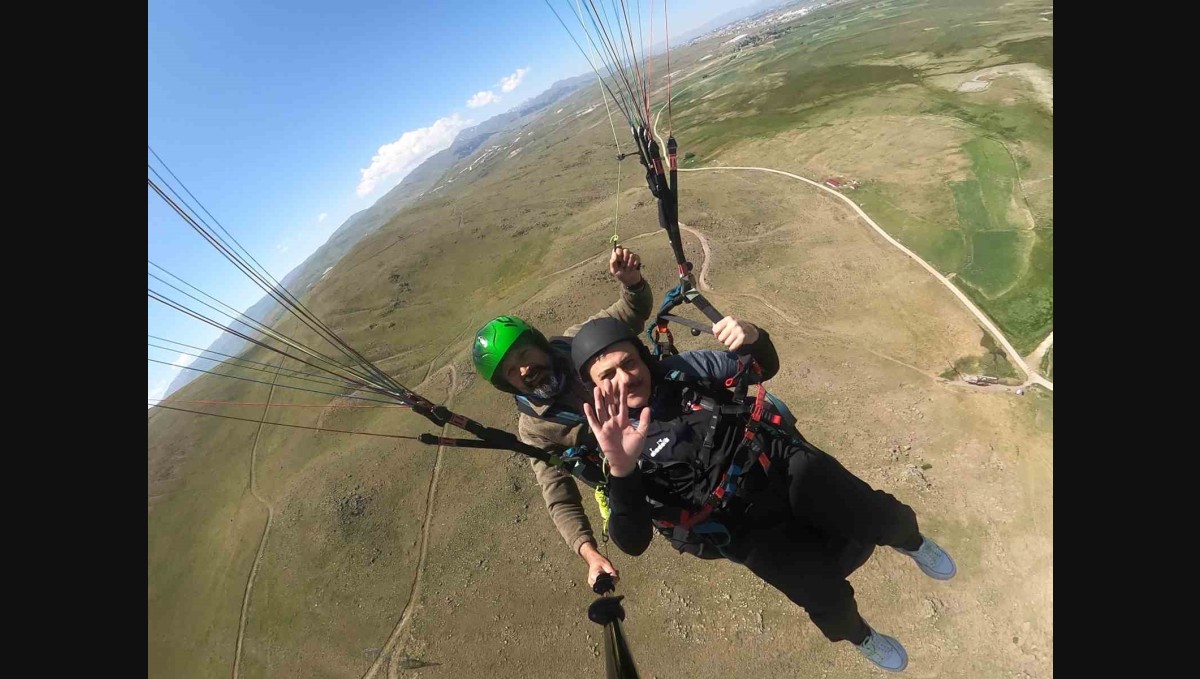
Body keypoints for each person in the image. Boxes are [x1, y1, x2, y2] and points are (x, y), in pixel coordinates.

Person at [571, 316, 956, 672]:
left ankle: (912, 541)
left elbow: (760, 368)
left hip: (781, 464)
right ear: (593, 387)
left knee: (878, 515)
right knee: (823, 595)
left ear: (643, 358)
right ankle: (860, 636)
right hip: (739, 524)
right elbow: (633, 541)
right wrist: (621, 468)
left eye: (629, 363)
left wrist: (754, 338)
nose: (624, 378)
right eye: (608, 375)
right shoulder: (607, 442)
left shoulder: (685, 371)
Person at [471, 246, 652, 587]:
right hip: (629, 467)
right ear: (506, 384)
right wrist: (590, 553)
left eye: (523, 354)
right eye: (512, 371)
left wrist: (632, 283)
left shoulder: (577, 341)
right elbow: (558, 494)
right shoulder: (535, 428)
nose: (525, 369)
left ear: (538, 344)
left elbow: (630, 313)